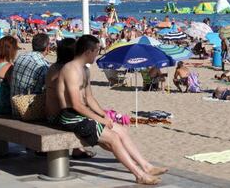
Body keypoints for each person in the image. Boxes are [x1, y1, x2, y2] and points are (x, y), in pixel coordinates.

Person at [56, 35, 166, 184]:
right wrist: (99, 119)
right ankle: (139, 175)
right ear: (88, 51)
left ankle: (146, 166)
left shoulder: (84, 70)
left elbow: (89, 98)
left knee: (121, 130)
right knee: (113, 138)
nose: (97, 54)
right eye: (97, 51)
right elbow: (76, 104)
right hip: (70, 117)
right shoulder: (71, 70)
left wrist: (104, 114)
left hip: (82, 114)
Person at [10, 33, 50, 101]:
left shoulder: (21, 57)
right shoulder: (43, 65)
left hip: (14, 103)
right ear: (47, 47)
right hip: (29, 107)